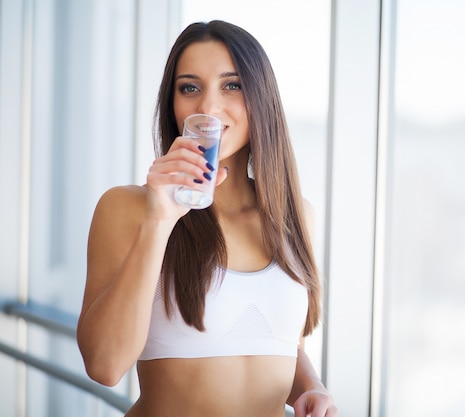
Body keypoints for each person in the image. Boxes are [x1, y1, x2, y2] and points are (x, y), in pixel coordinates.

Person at [77, 20, 338, 417]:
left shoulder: (296, 215)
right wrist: (161, 219)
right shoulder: (128, 208)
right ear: (173, 104)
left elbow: (281, 343)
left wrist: (313, 388)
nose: (208, 107)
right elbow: (104, 366)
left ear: (261, 98)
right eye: (190, 87)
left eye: (231, 85)